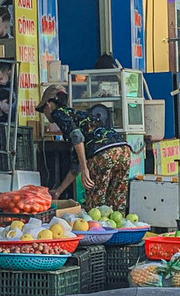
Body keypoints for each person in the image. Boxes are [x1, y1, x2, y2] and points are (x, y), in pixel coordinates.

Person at [40, 83, 132, 211]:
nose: (44, 113)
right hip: (123, 150)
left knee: (95, 205)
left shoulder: (58, 113)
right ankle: (119, 227)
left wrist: (85, 169)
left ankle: (98, 230)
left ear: (49, 105)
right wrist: (59, 191)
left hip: (103, 153)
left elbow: (77, 137)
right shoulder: (77, 115)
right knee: (116, 201)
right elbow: (75, 164)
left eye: (43, 109)